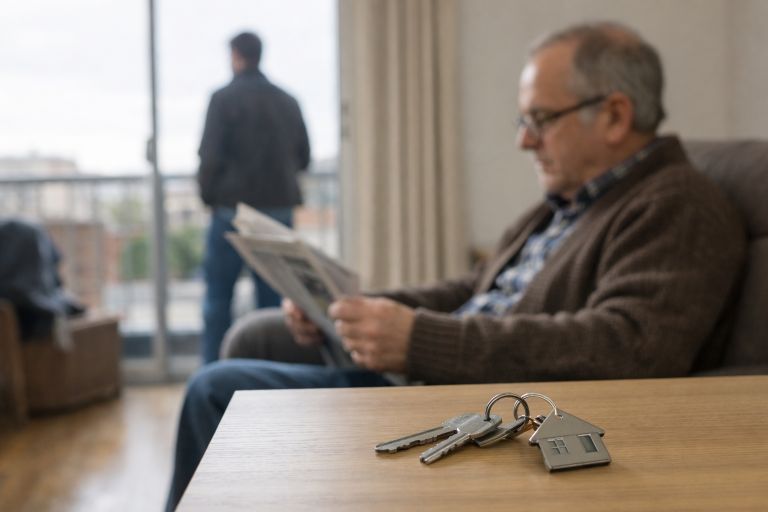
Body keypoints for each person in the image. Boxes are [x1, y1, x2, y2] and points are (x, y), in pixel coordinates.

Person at [166, 22, 745, 510]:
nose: (525, 141)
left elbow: (630, 346)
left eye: (539, 119)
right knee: (228, 379)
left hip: (469, 412)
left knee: (216, 390)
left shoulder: (678, 205)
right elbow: (475, 287)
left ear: (615, 116)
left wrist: (424, 342)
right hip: (432, 385)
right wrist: (368, 310)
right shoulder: (568, 204)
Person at [198, 32, 311, 364]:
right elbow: (304, 157)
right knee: (274, 302)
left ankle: (216, 371)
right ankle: (271, 373)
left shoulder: (222, 99)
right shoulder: (287, 100)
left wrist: (209, 197)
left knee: (218, 297)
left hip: (231, 212)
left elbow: (210, 156)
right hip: (278, 209)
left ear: (234, 55)